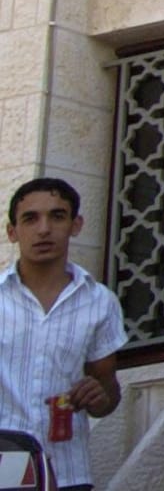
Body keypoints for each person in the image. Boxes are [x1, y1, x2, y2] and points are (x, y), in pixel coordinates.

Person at [0, 177, 126, 491]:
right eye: (30, 219)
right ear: (12, 232)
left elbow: (107, 393)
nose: (44, 229)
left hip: (68, 470)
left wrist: (98, 395)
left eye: (57, 216)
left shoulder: (100, 302)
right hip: (4, 465)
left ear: (76, 224)